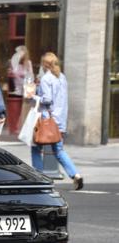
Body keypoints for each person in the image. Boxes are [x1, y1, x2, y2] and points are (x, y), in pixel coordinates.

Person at [29, 53, 83, 190]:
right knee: (59, 151)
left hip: (47, 120)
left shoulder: (46, 79)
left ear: (43, 64)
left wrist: (34, 96)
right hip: (60, 120)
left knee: (35, 147)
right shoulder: (62, 77)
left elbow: (47, 99)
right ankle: (76, 175)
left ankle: (39, 181)